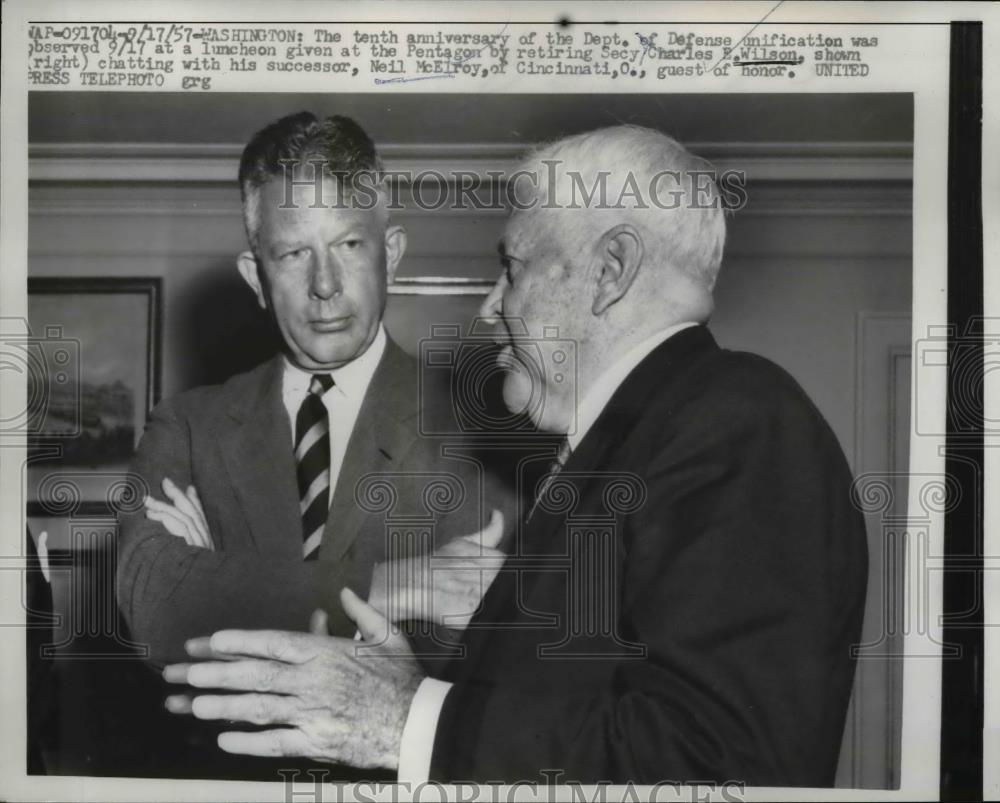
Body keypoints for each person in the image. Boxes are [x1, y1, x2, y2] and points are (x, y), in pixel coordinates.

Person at [161, 125, 869, 787]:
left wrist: (408, 716)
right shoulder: (626, 452)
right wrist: (419, 688)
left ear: (610, 270)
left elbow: (725, 766)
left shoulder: (738, 422)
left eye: (513, 266)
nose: (489, 307)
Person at [116, 111, 511, 674]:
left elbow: (479, 643)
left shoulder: (484, 426)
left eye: (349, 244)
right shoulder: (187, 426)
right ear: (257, 278)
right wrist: (395, 584)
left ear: (390, 255)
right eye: (294, 254)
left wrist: (221, 579)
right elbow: (155, 603)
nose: (324, 286)